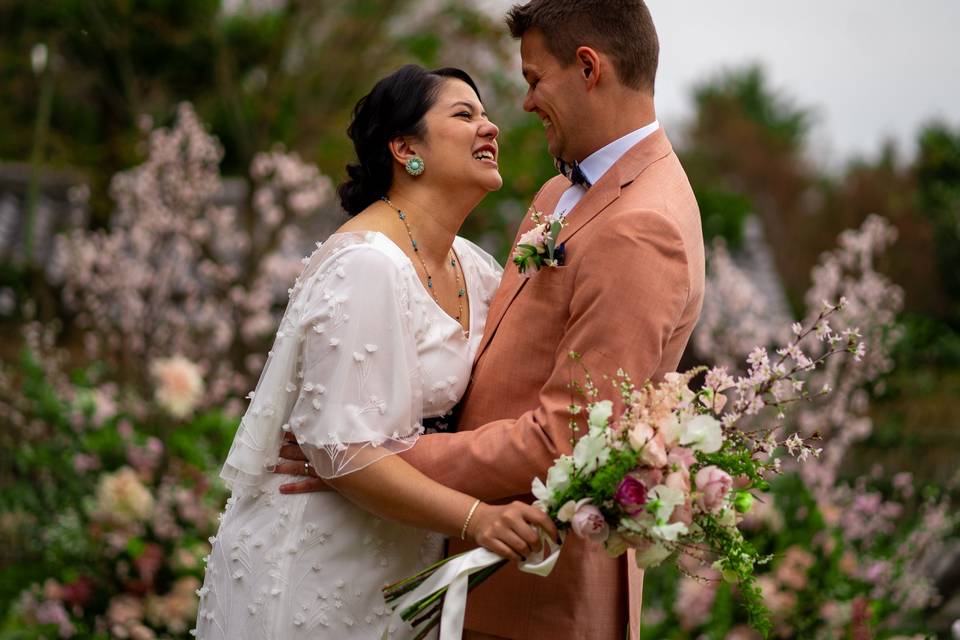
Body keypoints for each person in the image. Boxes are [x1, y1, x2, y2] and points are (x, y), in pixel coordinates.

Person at [281, 1, 705, 638]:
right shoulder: (560, 195)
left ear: (588, 68)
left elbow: (561, 441)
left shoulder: (641, 225)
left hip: (537, 591)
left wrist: (370, 460)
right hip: (461, 568)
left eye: (535, 80)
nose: (524, 105)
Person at [193, 64, 557, 640]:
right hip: (320, 564)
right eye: (465, 115)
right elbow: (344, 450)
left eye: (486, 115)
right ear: (405, 147)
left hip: (403, 561)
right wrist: (477, 517)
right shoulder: (366, 265)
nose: (490, 128)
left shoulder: (480, 269)